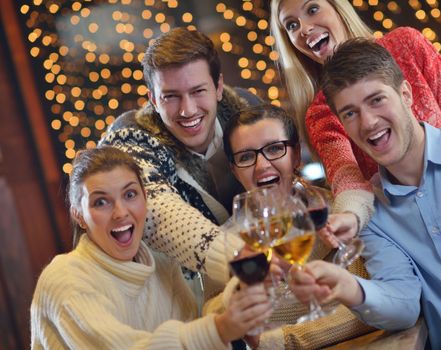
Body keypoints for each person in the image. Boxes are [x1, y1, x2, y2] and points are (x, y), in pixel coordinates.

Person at [289, 38, 441, 350]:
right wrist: (349, 287)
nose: (368, 122)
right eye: (350, 113)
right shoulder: (372, 213)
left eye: (376, 100)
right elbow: (403, 305)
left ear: (406, 94)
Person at [270, 0, 441, 236]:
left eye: (312, 10)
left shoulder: (406, 44)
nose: (304, 28)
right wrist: (350, 216)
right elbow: (346, 175)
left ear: (339, 9)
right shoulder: (320, 111)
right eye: (291, 25)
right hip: (412, 228)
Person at [30, 146, 273, 349]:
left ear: (146, 199)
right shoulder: (64, 279)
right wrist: (220, 329)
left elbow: (189, 327)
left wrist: (238, 295)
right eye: (101, 202)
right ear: (79, 216)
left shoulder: (160, 261)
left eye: (130, 194)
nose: (121, 212)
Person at [99, 27, 261, 287]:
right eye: (171, 96)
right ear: (153, 99)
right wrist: (244, 263)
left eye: (198, 91)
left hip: (267, 272)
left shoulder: (247, 109)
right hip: (181, 297)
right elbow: (159, 211)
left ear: (218, 87)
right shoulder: (129, 136)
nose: (187, 110)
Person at [222, 104, 375, 349]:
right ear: (234, 169)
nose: (261, 166)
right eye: (246, 156)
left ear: (295, 154)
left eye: (274, 149)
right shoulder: (223, 243)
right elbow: (214, 319)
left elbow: (372, 305)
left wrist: (280, 340)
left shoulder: (343, 211)